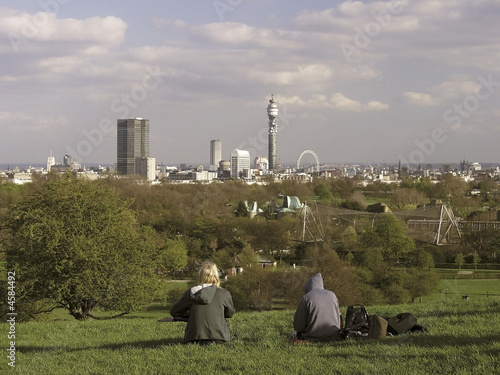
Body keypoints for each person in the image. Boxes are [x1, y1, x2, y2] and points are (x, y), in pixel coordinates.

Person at [170, 261, 235, 345]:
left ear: (201, 276)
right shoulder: (224, 293)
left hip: (193, 339)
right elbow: (230, 314)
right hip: (219, 338)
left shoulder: (191, 293)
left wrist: (191, 314)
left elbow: (174, 312)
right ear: (216, 276)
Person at [293, 272, 342, 341]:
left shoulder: (307, 297)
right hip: (334, 334)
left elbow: (299, 326)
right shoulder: (332, 295)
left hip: (313, 336)